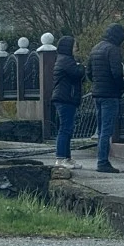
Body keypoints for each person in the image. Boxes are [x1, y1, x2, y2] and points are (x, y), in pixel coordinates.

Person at [85, 23, 124, 173]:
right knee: (106, 131)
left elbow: (88, 71)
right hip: (110, 94)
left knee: (101, 128)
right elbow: (117, 73)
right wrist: (120, 87)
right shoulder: (113, 50)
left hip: (97, 94)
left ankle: (101, 160)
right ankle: (102, 162)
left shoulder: (96, 48)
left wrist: (97, 84)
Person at [52, 35, 85, 169]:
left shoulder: (64, 60)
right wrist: (82, 66)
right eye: (74, 46)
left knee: (68, 129)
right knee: (65, 129)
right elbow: (77, 73)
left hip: (66, 98)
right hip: (65, 98)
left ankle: (67, 157)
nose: (76, 48)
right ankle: (61, 158)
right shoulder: (66, 61)